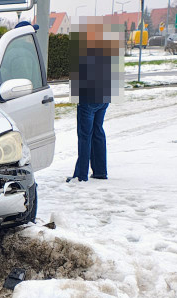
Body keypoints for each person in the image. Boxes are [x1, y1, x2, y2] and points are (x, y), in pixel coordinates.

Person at [68, 18, 121, 182]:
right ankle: (100, 171)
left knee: (85, 135)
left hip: (88, 99)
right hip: (104, 98)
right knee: (98, 132)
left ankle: (81, 175)